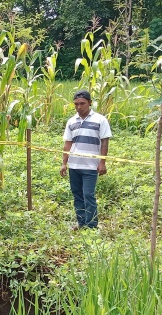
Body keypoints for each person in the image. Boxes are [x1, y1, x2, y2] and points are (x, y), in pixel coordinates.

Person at [59, 90, 112, 230]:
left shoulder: (100, 120)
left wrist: (102, 162)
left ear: (90, 103)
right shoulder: (71, 121)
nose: (79, 107)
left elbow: (105, 142)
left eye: (82, 103)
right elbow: (67, 144)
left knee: (88, 195)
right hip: (74, 165)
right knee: (77, 195)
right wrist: (64, 163)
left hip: (91, 166)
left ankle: (92, 226)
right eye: (76, 104)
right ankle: (81, 223)